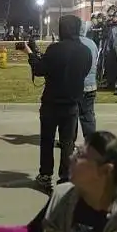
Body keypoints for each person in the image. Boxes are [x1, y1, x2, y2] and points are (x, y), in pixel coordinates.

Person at [25, 15, 92, 192]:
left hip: (51, 103)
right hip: (71, 103)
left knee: (47, 140)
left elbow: (40, 70)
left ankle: (45, 175)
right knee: (67, 142)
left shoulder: (55, 49)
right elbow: (84, 73)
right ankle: (66, 177)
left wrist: (30, 55)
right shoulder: (85, 51)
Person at [76, 20, 99, 142]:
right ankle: (90, 142)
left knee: (73, 114)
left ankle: (69, 140)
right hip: (91, 84)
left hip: (76, 85)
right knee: (88, 114)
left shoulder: (73, 43)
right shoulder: (92, 44)